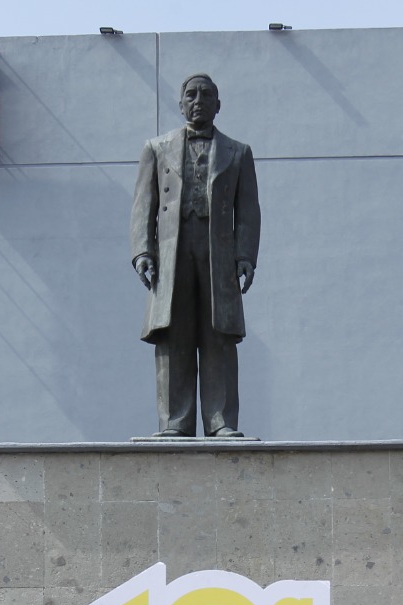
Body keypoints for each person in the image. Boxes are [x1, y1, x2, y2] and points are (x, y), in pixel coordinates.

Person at [130, 73, 260, 438]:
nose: (198, 99)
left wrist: (246, 255)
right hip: (172, 250)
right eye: (191, 94)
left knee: (218, 335)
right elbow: (144, 205)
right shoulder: (157, 148)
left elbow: (248, 210)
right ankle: (175, 421)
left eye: (207, 94)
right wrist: (142, 250)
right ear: (181, 103)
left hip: (218, 249)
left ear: (218, 105)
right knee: (175, 335)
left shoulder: (238, 152)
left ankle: (220, 421)